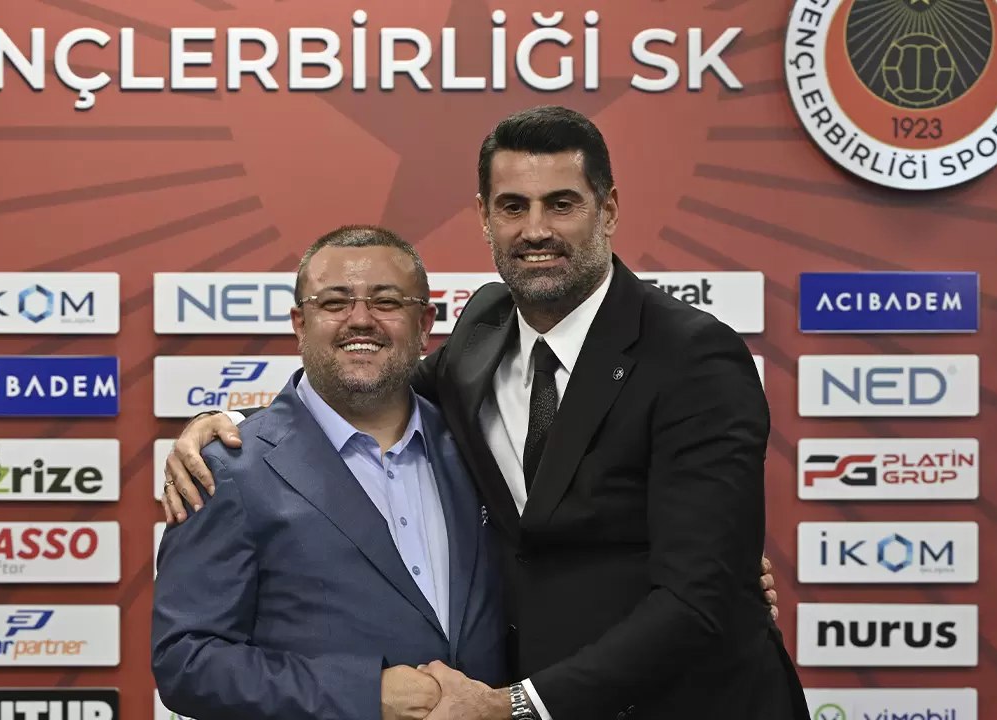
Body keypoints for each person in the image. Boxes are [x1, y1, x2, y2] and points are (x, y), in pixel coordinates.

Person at [161, 106, 806, 720]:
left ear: (608, 209)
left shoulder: (694, 358)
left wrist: (513, 706)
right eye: (513, 206)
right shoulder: (482, 329)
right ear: (484, 216)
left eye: (562, 204)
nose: (536, 230)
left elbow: (699, 600)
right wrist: (235, 430)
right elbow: (367, 383)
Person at [151, 227, 509, 719]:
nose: (360, 320)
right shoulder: (228, 469)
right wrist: (362, 694)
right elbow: (186, 662)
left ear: (425, 323)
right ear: (300, 324)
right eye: (335, 303)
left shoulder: (478, 443)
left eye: (387, 301)